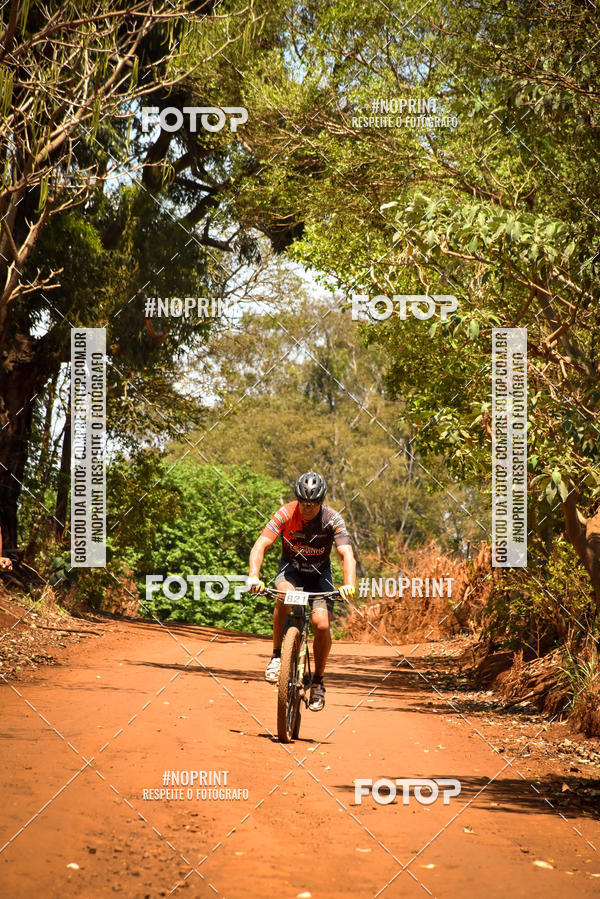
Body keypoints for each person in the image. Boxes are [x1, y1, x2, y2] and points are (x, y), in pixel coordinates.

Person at [247, 470, 356, 711]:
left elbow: (346, 553)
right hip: (291, 571)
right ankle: (277, 656)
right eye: (303, 502)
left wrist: (349, 583)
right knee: (284, 596)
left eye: (313, 504)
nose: (307, 508)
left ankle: (318, 682)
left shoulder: (332, 518)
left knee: (322, 625)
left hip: (319, 576)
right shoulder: (285, 513)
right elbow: (261, 544)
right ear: (297, 499)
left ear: (321, 502)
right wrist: (253, 576)